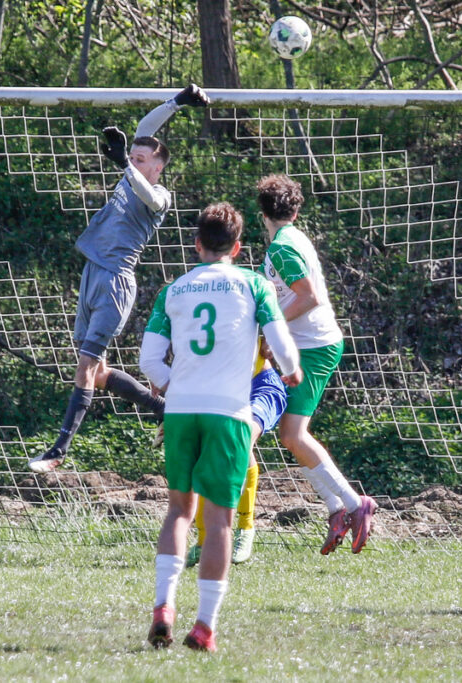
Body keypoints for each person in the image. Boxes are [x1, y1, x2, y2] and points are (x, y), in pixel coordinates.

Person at [138, 202, 301, 652]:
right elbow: (280, 342)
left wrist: (175, 386)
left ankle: (163, 608)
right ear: (238, 247)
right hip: (228, 411)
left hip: (180, 411)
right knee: (219, 521)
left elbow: (149, 360)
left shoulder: (173, 290)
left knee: (178, 511)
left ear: (197, 244)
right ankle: (204, 627)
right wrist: (291, 370)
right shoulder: (254, 284)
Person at [29, 85, 211, 474]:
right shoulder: (132, 175)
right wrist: (178, 101)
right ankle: (164, 408)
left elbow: (148, 193)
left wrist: (126, 164)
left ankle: (58, 451)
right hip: (92, 274)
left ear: (157, 167)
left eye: (142, 159)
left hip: (115, 283)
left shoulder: (159, 196)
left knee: (84, 367)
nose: (134, 161)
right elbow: (145, 128)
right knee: (98, 373)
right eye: (133, 157)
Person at [256, 174, 377, 555]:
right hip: (307, 344)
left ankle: (356, 505)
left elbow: (308, 297)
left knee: (293, 435)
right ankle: (336, 509)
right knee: (289, 436)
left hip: (316, 347)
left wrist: (274, 328)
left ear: (262, 213)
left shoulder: (282, 247)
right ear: (295, 210)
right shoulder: (293, 239)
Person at [186, 348, 289, 568]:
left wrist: (275, 341)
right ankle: (203, 541)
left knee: (241, 437)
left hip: (261, 386)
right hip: (222, 392)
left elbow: (280, 331)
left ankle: (245, 527)